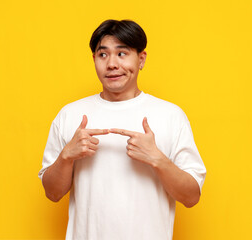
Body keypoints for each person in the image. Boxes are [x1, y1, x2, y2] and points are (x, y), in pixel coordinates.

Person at [38, 19, 206, 240]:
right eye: (103, 54)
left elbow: (191, 196)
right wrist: (66, 157)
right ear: (94, 59)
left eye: (122, 53)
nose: (112, 64)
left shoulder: (171, 115)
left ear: (141, 59)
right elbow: (52, 193)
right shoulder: (70, 115)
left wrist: (157, 158)